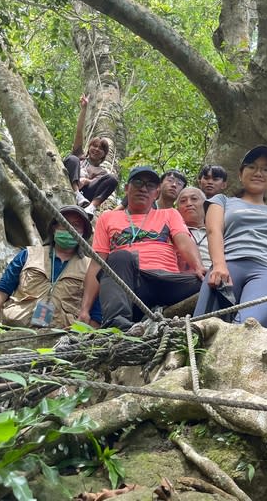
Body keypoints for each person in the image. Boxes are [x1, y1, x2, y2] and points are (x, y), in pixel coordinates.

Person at [79, 167, 205, 330]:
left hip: (166, 280)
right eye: (138, 182)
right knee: (120, 256)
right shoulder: (108, 217)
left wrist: (199, 267)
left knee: (213, 281)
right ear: (126, 188)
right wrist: (85, 310)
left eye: (150, 185)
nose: (144, 188)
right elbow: (97, 263)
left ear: (157, 192)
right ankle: (117, 325)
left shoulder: (170, 214)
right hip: (130, 285)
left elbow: (184, 242)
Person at [193, 146, 267, 327]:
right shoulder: (222, 201)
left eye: (266, 169)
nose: (258, 172)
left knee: (246, 326)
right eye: (252, 166)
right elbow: (214, 231)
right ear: (240, 174)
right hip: (228, 263)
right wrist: (219, 265)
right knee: (203, 328)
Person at [0, 205, 95, 335]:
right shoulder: (28, 254)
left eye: (76, 225)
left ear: (83, 233)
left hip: (63, 337)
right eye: (65, 223)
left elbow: (95, 309)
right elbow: (2, 289)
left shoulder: (91, 267)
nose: (70, 228)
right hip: (14, 332)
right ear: (54, 227)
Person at [63, 95, 118, 216]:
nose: (96, 149)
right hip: (70, 185)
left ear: (104, 155)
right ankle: (76, 194)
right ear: (89, 147)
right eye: (94, 146)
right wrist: (84, 109)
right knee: (72, 159)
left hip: (86, 194)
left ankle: (91, 208)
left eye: (101, 148)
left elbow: (98, 184)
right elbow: (79, 132)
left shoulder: (102, 172)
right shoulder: (79, 156)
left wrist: (86, 180)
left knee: (112, 179)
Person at [177, 186, 210, 270]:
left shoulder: (219, 231)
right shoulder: (172, 234)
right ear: (177, 210)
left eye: (194, 199)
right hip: (183, 278)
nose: (188, 204)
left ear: (205, 205)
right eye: (183, 201)